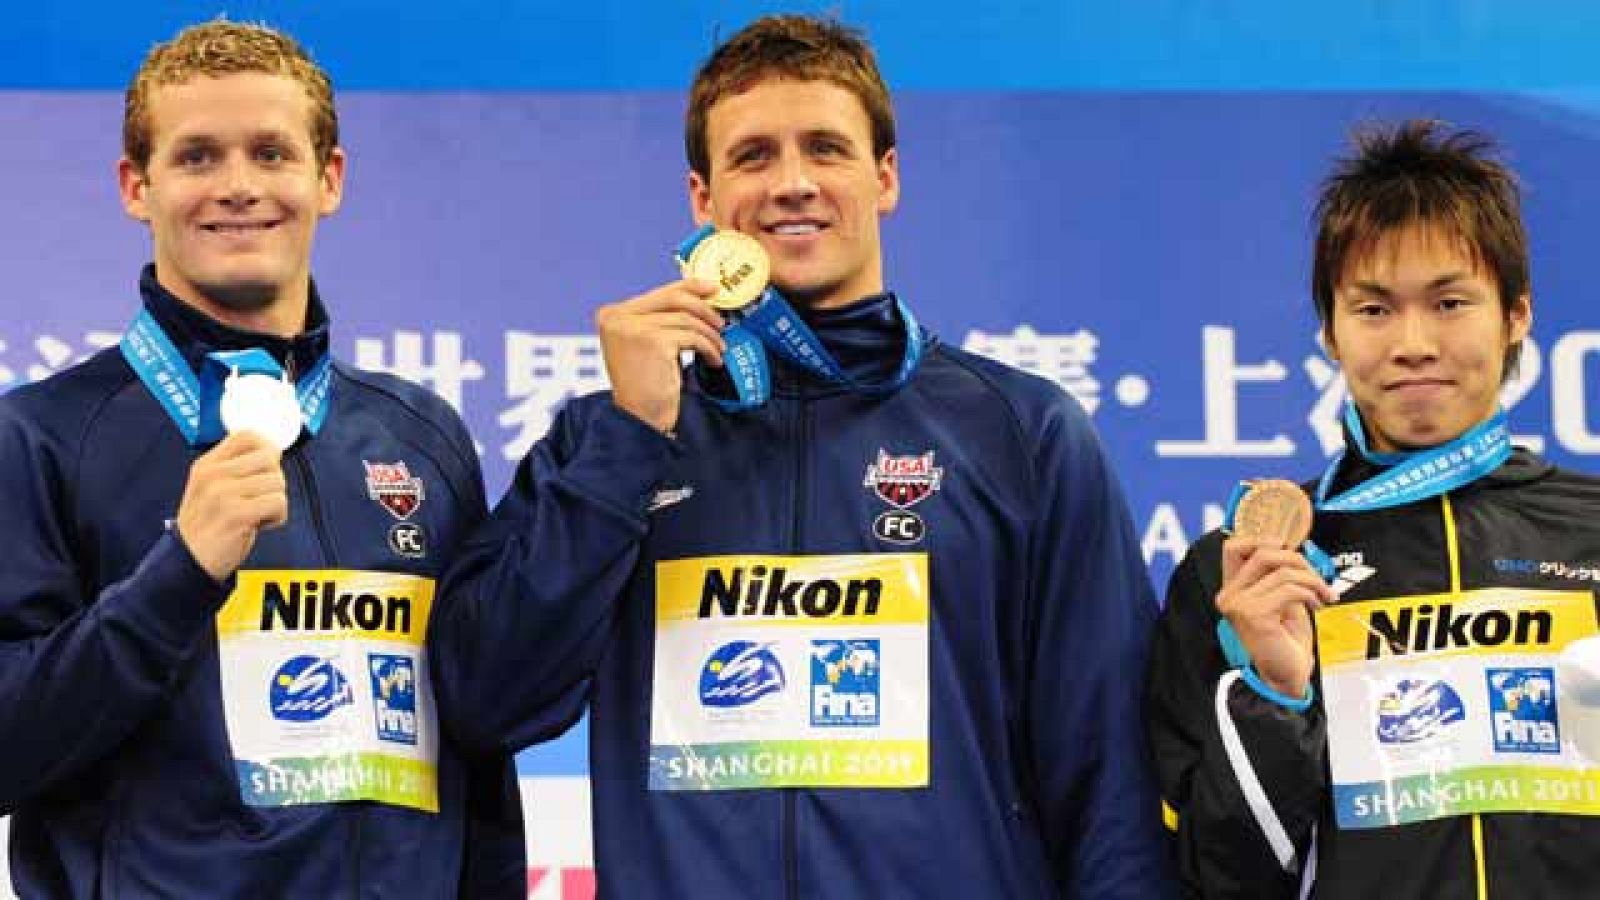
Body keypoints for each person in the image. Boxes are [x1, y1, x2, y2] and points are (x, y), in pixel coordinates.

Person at [434, 13, 1171, 897]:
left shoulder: (1024, 433)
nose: (792, 184)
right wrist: (629, 446)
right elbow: (485, 701)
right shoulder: (608, 440)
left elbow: (1111, 782)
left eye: (825, 148)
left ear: (884, 177)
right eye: (752, 156)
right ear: (702, 200)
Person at [0, 20, 522, 898]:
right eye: (198, 156)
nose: (238, 186)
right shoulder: (40, 438)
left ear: (330, 178)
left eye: (271, 153)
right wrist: (178, 578)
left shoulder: (420, 436)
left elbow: (476, 758)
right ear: (138, 186)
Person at [1147, 119, 1600, 898]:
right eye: (1375, 310)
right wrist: (1273, 695)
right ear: (1328, 331)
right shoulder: (1246, 574)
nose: (1414, 343)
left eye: (1451, 302)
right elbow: (1217, 878)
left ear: (1516, 314)